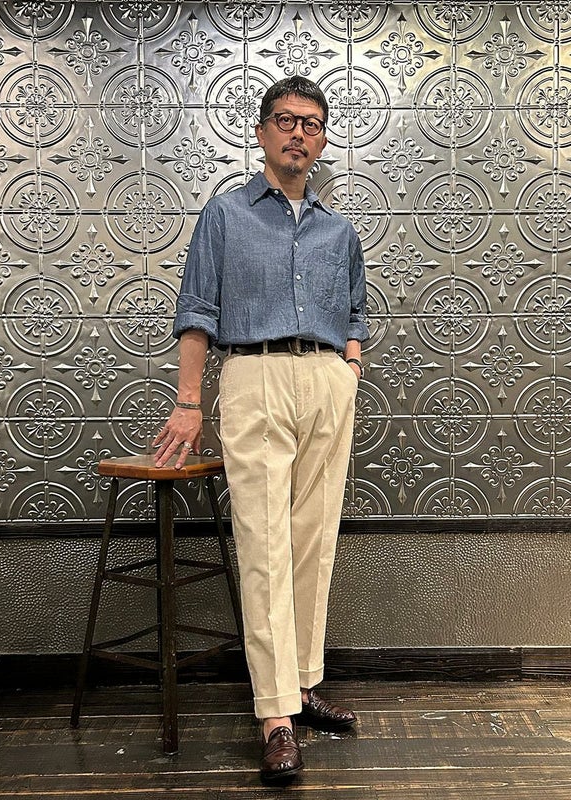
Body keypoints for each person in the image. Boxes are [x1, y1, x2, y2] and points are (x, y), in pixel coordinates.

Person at [153, 76, 368, 781]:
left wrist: (349, 365)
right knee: (265, 544)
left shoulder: (339, 232)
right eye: (285, 120)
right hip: (254, 375)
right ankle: (275, 715)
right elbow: (196, 310)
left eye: (312, 123)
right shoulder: (225, 216)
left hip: (326, 382)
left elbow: (356, 311)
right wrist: (189, 402)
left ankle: (302, 686)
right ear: (261, 132)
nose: (298, 133)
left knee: (313, 539)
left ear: (323, 139)